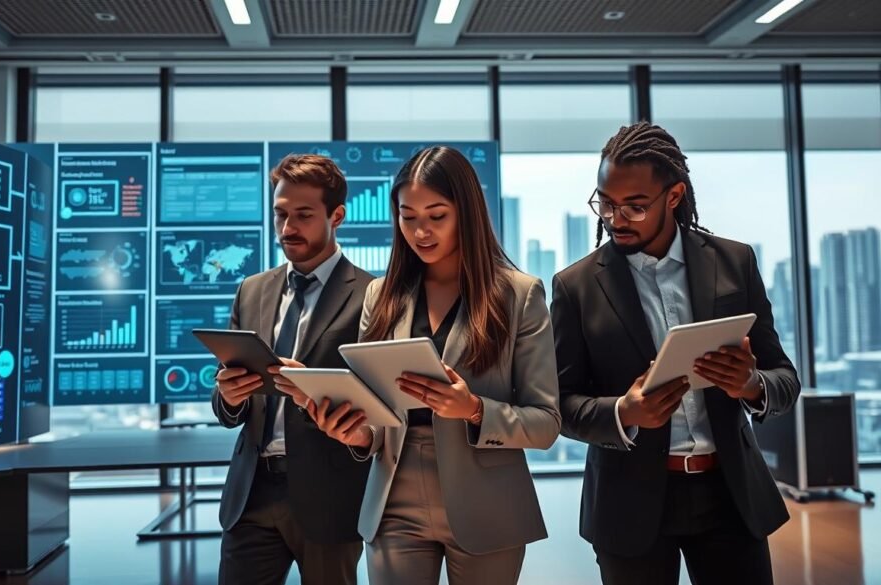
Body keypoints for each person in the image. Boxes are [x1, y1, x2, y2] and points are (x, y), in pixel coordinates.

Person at [551, 121, 801, 585]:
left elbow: (785, 378)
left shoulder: (735, 264)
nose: (614, 218)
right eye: (604, 203)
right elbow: (561, 405)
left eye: (634, 207)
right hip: (628, 504)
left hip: (729, 495)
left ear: (674, 195)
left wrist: (752, 385)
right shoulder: (576, 287)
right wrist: (624, 412)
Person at [309, 146, 560, 585]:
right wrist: (355, 432)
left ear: (466, 213)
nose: (421, 231)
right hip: (394, 500)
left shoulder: (518, 296)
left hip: (487, 503)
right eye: (408, 217)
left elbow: (546, 423)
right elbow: (374, 416)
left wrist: (475, 410)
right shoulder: (381, 296)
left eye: (436, 216)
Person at [211, 154, 373, 585]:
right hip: (251, 494)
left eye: (303, 215)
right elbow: (228, 402)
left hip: (329, 498)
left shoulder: (373, 295)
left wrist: (313, 392)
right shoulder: (252, 290)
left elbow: (379, 406)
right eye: (280, 214)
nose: (287, 229)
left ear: (336, 215)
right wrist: (228, 398)